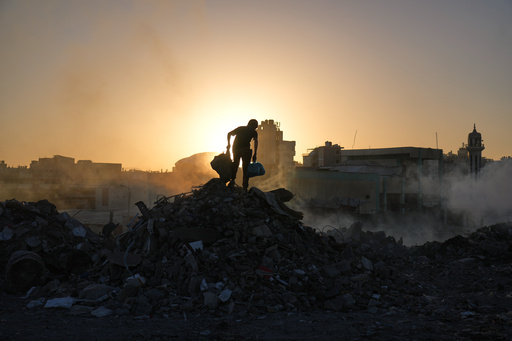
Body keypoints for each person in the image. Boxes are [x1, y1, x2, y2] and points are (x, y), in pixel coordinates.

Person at [227, 119, 259, 191]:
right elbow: (256, 142)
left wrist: (229, 145)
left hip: (236, 149)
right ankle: (245, 187)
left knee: (235, 165)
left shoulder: (240, 128)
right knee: (246, 169)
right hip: (245, 151)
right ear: (254, 126)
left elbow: (229, 134)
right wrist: (255, 154)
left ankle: (232, 181)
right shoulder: (253, 132)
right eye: (255, 127)